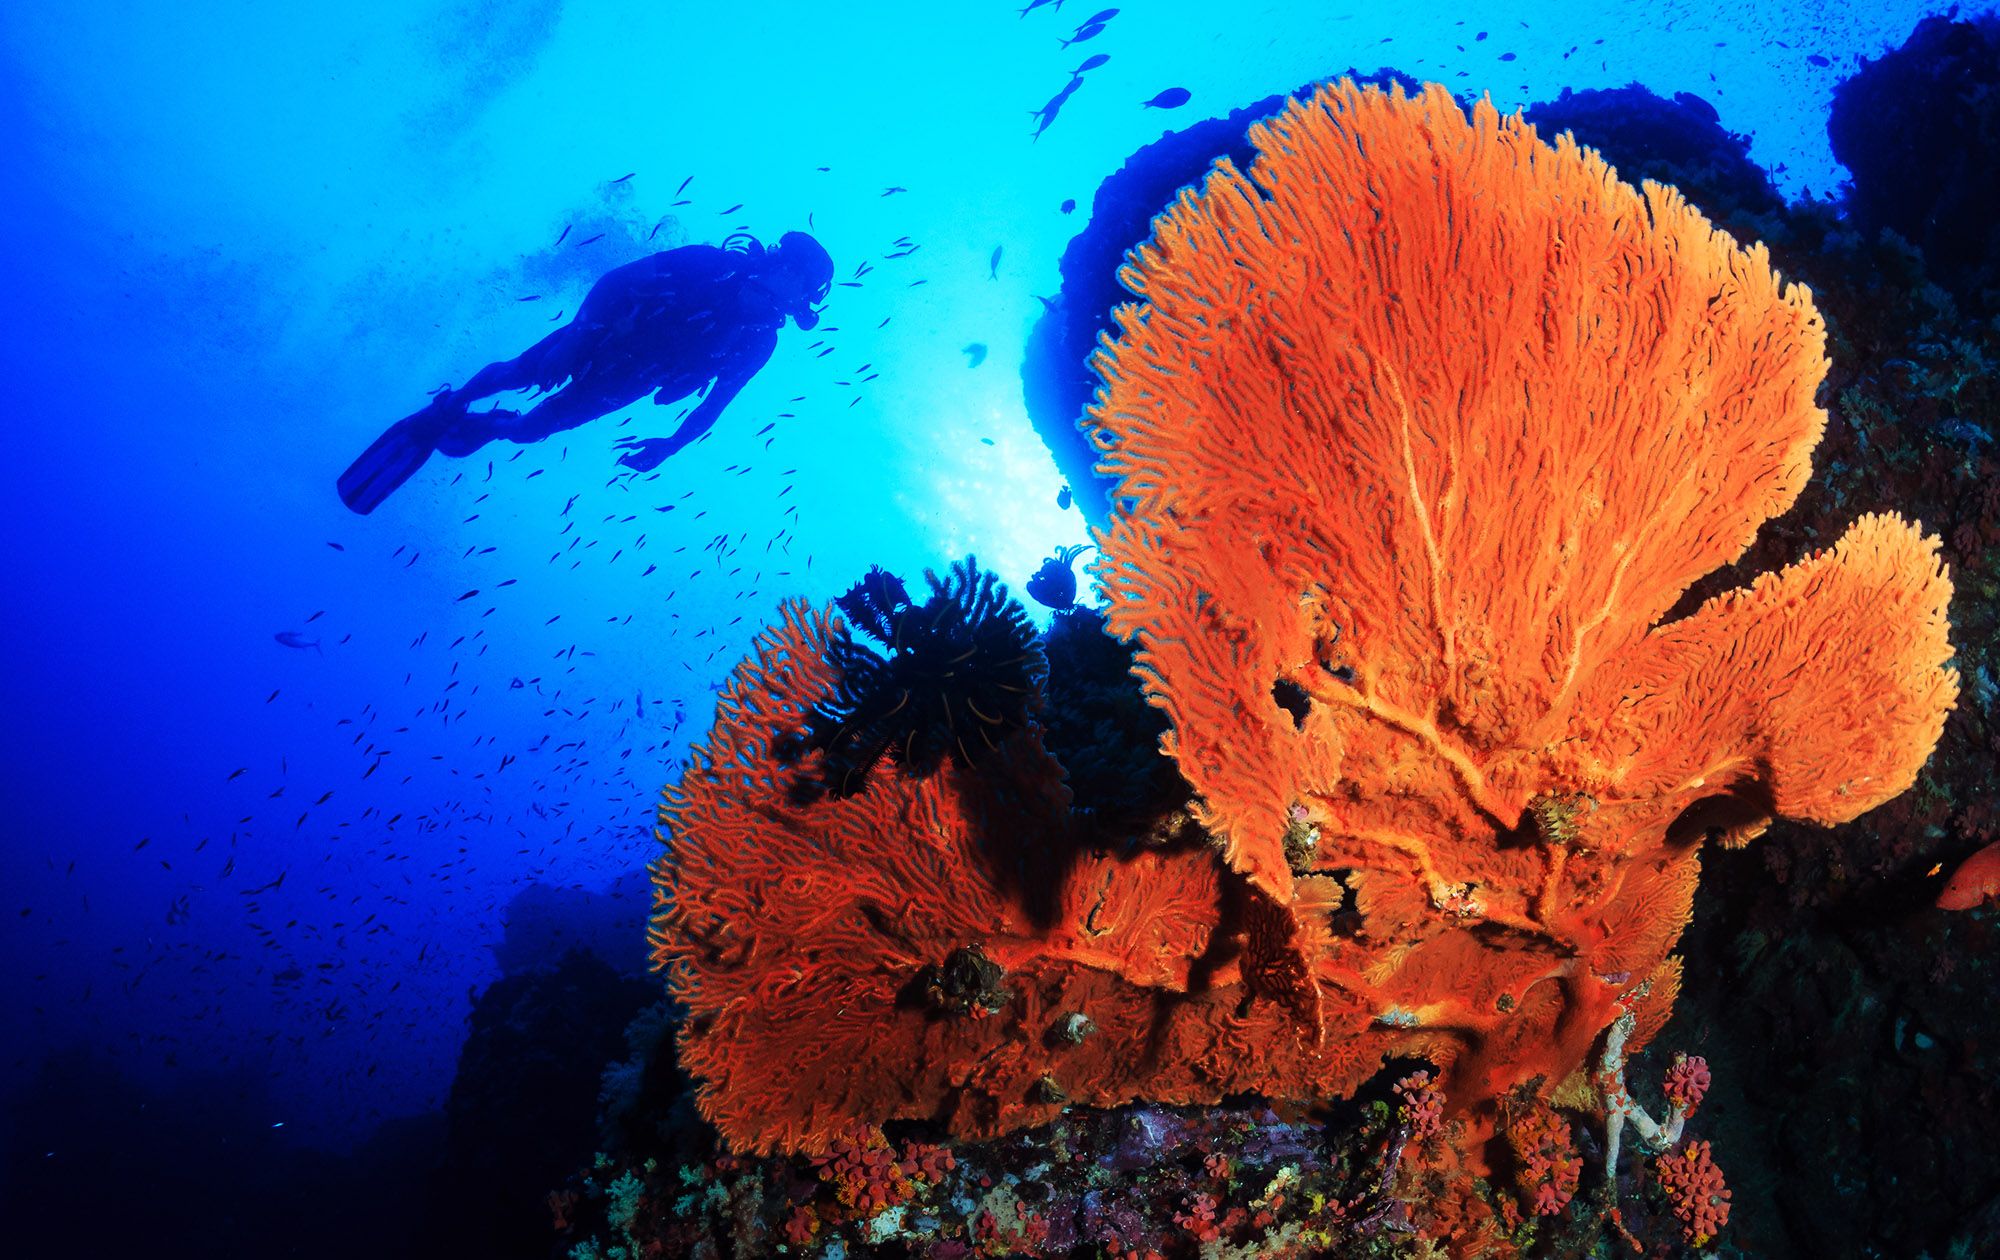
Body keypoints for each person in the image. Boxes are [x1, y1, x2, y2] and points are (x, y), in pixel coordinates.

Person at [338, 231, 834, 515]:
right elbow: (616, 279)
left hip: (627, 383)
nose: (788, 284)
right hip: (603, 333)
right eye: (790, 269)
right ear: (775, 259)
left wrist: (670, 446)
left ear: (802, 302)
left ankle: (489, 426)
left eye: (801, 285)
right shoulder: (708, 264)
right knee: (517, 372)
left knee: (532, 430)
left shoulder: (757, 343)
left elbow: (714, 405)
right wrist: (578, 333)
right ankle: (456, 401)